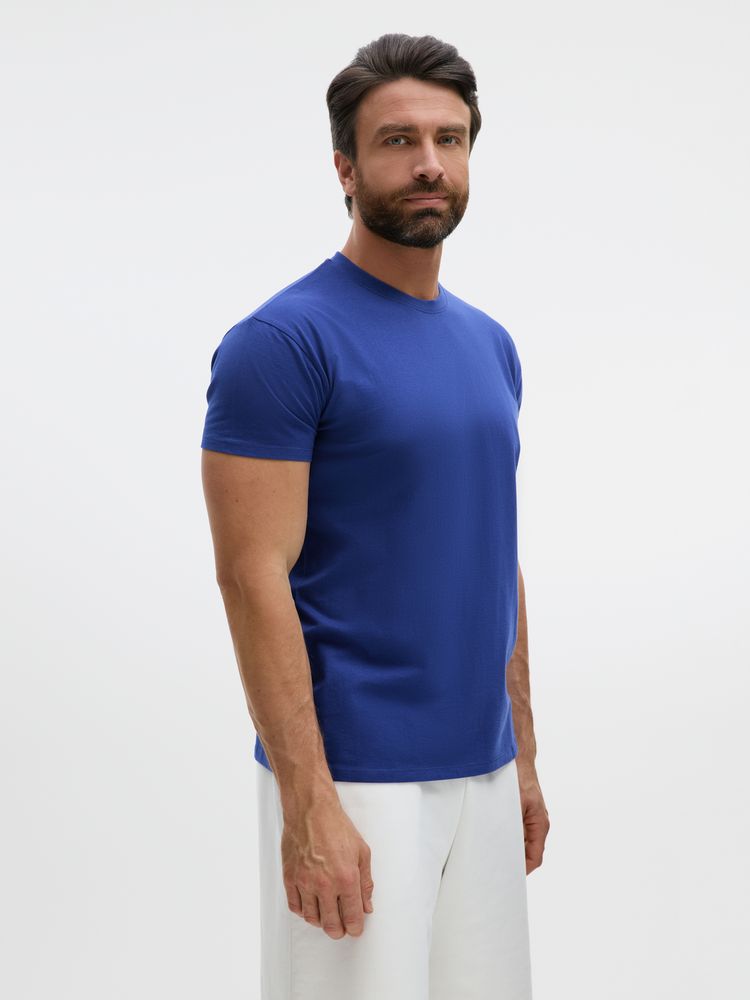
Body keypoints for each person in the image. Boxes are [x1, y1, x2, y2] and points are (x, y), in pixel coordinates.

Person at [200, 31, 549, 1000]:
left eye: (450, 138)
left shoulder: (490, 345)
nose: (430, 162)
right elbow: (250, 574)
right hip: (355, 778)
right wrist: (308, 801)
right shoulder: (282, 342)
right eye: (399, 140)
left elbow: (493, 554)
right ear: (345, 168)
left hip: (482, 771)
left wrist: (520, 755)